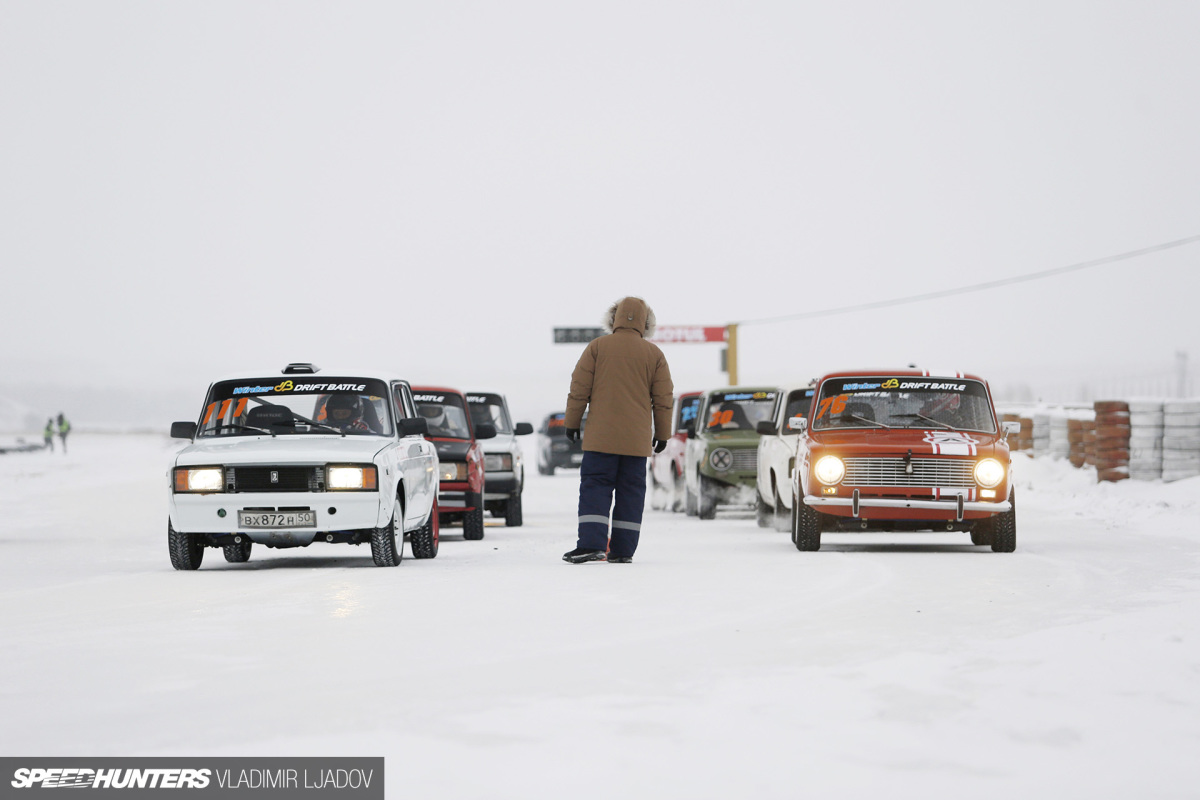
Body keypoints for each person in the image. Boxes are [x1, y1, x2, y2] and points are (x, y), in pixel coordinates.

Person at [562, 297, 674, 564]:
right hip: (636, 443)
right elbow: (663, 399)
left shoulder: (597, 348)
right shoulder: (654, 354)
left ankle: (591, 544)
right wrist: (662, 433)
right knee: (631, 493)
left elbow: (579, 389)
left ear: (613, 319)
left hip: (601, 439)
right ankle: (623, 551)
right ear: (647, 324)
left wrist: (572, 423)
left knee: (596, 488)